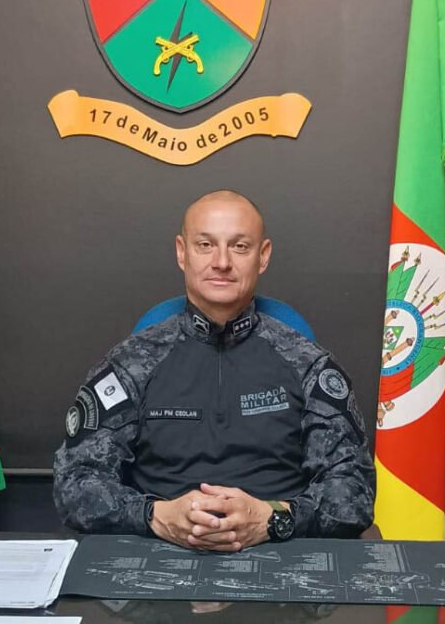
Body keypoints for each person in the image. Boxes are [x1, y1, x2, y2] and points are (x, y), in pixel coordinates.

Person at [53, 190, 375, 551]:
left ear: (263, 256)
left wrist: (273, 518)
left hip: (280, 551)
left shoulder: (308, 364)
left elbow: (353, 491)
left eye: (240, 247)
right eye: (205, 245)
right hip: (156, 552)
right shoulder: (130, 364)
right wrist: (155, 516)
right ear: (182, 252)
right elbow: (75, 483)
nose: (221, 262)